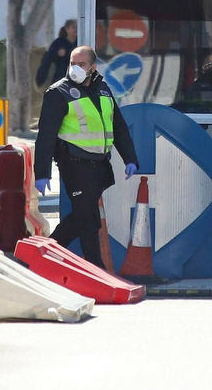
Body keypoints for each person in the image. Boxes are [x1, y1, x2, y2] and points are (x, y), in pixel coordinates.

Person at [33, 45, 140, 268]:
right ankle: (95, 267)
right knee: (88, 221)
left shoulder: (103, 89)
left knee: (85, 216)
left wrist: (130, 158)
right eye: (73, 63)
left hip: (99, 165)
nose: (76, 69)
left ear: (93, 67)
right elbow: (45, 136)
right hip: (74, 163)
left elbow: (118, 127)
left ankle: (44, 253)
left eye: (81, 64)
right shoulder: (58, 93)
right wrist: (41, 173)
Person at [34, 19, 78, 86]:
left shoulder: (79, 42)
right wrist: (58, 52)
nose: (76, 30)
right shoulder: (59, 42)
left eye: (77, 27)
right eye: (74, 27)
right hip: (60, 76)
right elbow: (49, 55)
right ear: (67, 29)